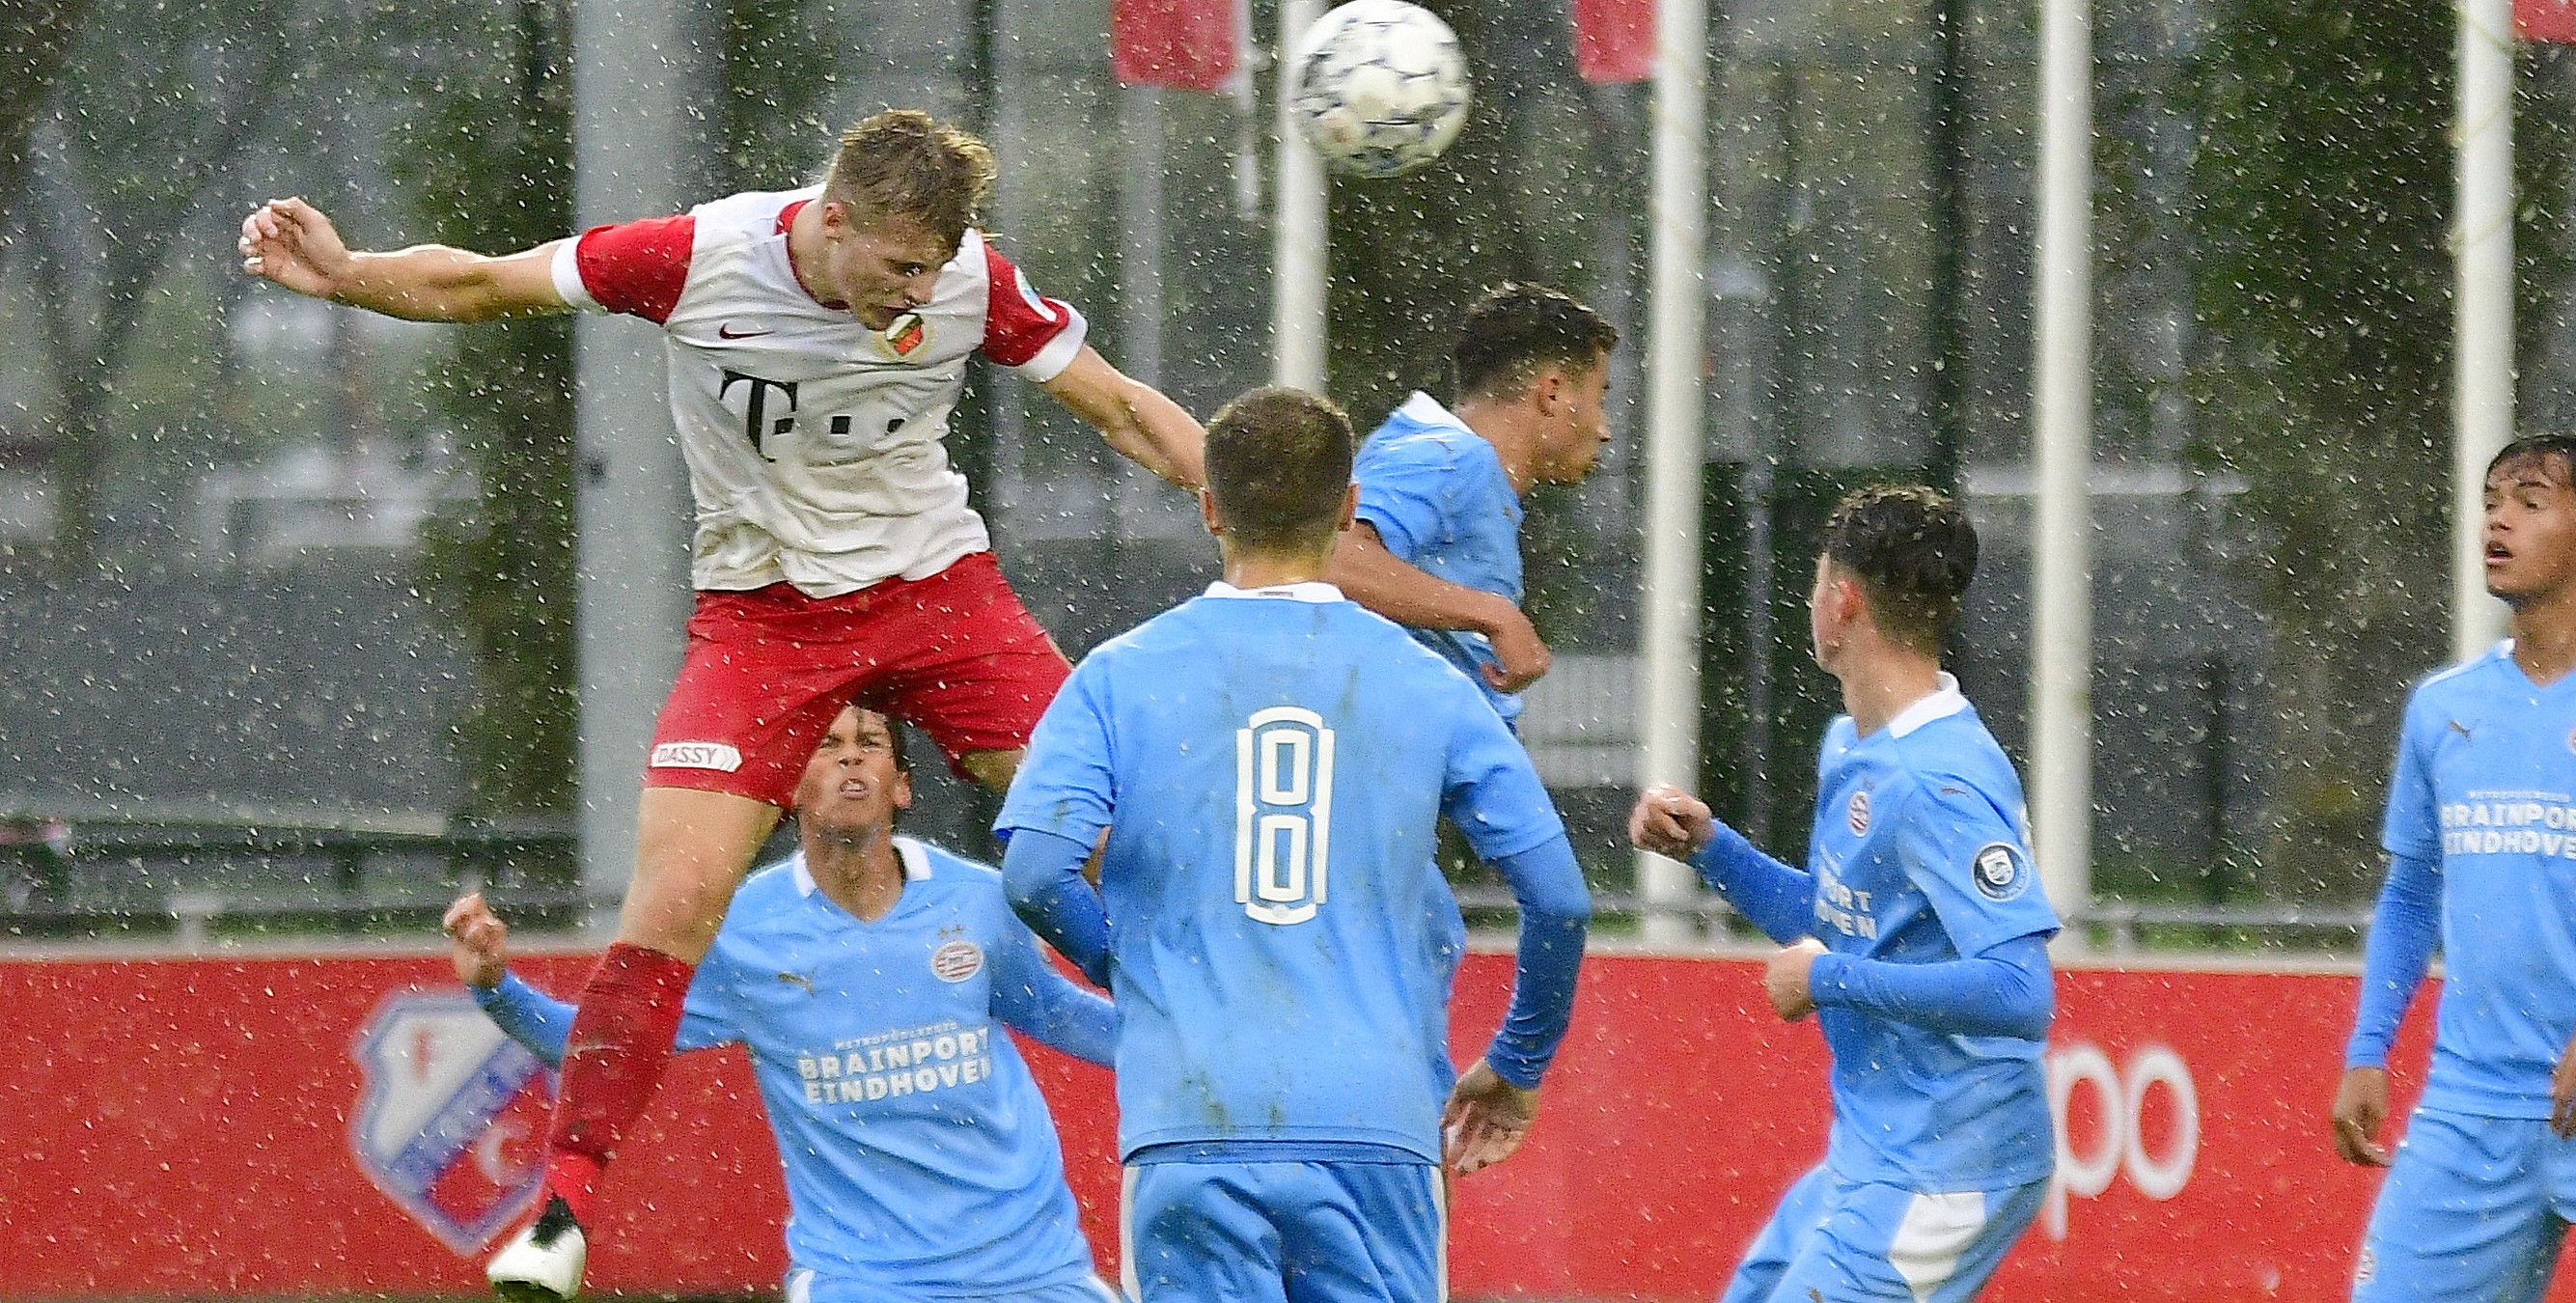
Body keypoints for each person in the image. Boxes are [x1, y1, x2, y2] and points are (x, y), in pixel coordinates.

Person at [238, 109, 1205, 1297]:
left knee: (1104, 829)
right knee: (677, 898)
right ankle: (560, 1217)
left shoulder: (968, 280)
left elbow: (1117, 406)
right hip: (765, 617)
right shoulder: (696, 256)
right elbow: (486, 285)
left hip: (936, 593)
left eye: (936, 267)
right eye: (899, 265)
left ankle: (1227, 1049)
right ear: (833, 218)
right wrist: (349, 279)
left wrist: (1273, 512)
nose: (920, 291)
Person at [992, 386, 1592, 1302]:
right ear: (1349, 507)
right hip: (1375, 1126)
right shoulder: (1427, 685)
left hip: (1193, 1120)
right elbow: (1558, 897)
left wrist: (1138, 967)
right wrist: (1516, 1062)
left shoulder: (1118, 673)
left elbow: (1036, 873)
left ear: (1208, 508)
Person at [449, 704, 1119, 1303]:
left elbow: (1058, 1013)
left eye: (871, 742)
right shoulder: (739, 932)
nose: (851, 756)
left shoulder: (978, 899)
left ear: (902, 785)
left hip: (1035, 1269)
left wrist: (1200, 1038)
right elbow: (599, 1049)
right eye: (826, 744)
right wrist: (495, 988)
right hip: (861, 1280)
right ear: (789, 787)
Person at [1628, 485, 2059, 1303]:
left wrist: (1826, 980)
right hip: (1876, 1146)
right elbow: (1843, 923)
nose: (1810, 600)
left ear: (1843, 601)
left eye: (1815, 581)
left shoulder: (1941, 779)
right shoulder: (1854, 745)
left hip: (1952, 1162)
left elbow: (2021, 991)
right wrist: (1715, 852)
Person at [2328, 434, 2576, 1303]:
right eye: (2493, 500)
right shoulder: (2445, 707)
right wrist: (2367, 1050)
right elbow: (2412, 891)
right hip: (2472, 1105)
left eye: (2532, 501)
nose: (2498, 519)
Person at [1331, 282, 1619, 720]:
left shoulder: (1445, 458)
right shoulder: (1451, 458)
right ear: (1553, 392)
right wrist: (1492, 614)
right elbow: (1330, 555)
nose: (1605, 429)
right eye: (1600, 398)